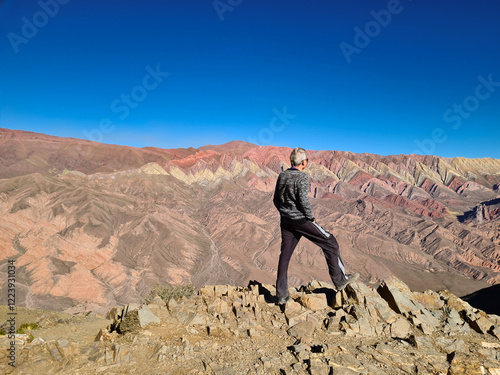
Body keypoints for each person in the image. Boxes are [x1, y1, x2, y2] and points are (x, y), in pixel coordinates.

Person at [273, 147, 359, 304]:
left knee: (284, 256)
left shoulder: (282, 175)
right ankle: (340, 280)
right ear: (304, 162)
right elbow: (303, 200)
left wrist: (285, 213)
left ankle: (281, 294)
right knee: (330, 242)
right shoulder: (302, 177)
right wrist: (310, 218)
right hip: (301, 220)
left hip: (286, 222)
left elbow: (276, 200)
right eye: (307, 160)